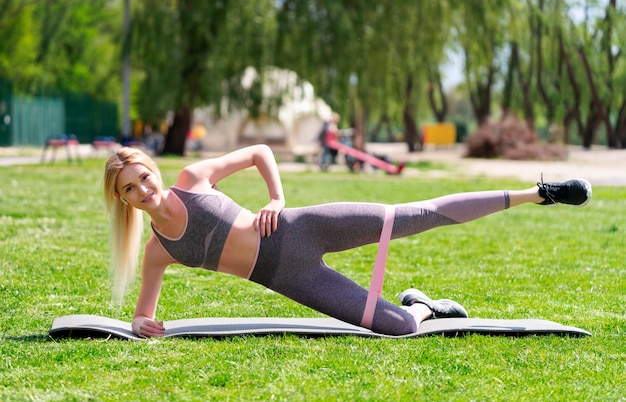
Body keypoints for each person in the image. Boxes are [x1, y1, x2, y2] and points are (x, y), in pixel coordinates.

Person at [103, 144, 592, 338]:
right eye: (130, 188)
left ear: (153, 168)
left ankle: (538, 192)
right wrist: (144, 323)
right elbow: (143, 312)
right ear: (123, 200)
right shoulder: (158, 251)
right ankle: (425, 306)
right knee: (399, 327)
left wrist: (276, 198)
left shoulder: (193, 178)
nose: (142, 189)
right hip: (290, 278)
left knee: (421, 215)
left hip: (300, 227)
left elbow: (259, 151)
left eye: (143, 176)